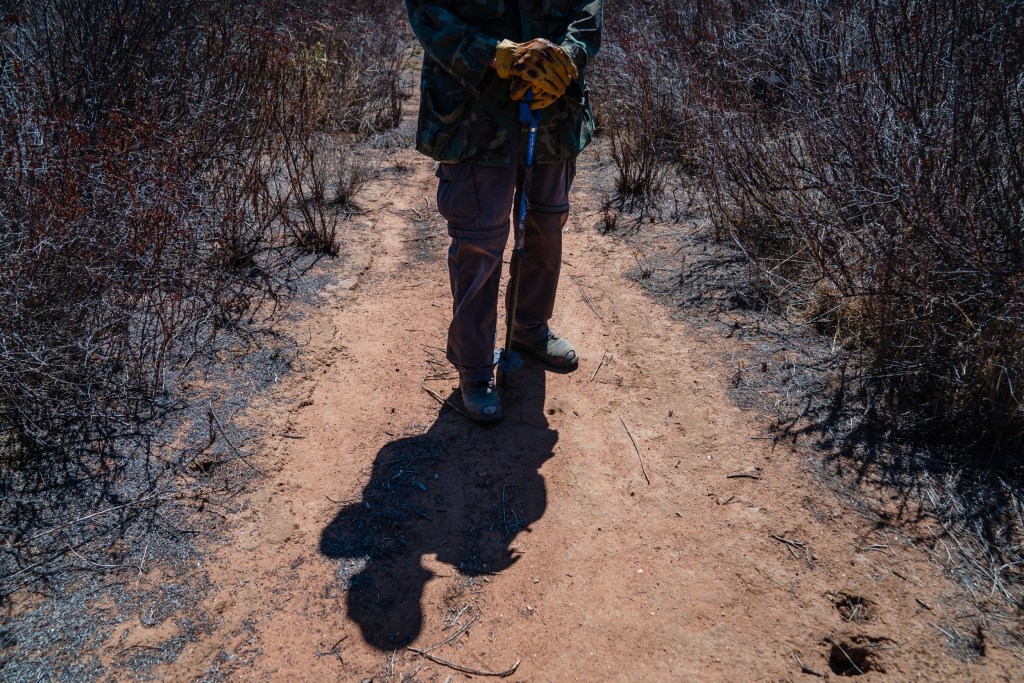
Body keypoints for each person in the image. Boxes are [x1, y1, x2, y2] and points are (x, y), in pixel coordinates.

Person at [404, 0, 603, 423]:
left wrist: (567, 57)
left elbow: (587, 8)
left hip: (553, 105)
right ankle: (474, 367)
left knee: (546, 225)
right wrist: (492, 55)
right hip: (473, 108)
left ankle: (529, 329)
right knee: (480, 240)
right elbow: (427, 10)